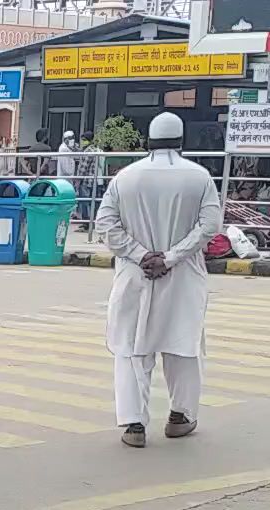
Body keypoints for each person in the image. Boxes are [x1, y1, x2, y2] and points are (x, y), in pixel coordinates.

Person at [94, 112, 222, 449]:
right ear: (181, 141)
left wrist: (140, 255)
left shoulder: (125, 178)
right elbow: (209, 226)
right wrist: (171, 257)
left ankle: (134, 425)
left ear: (149, 139)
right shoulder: (200, 177)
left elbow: (106, 225)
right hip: (182, 279)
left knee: (132, 348)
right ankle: (180, 416)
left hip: (135, 277)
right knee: (184, 346)